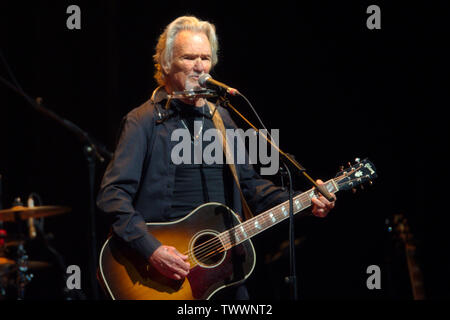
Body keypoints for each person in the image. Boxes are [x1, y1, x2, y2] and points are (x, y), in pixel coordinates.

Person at [96, 16, 336, 300]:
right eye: (189, 57)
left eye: (205, 58)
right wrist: (152, 250)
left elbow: (251, 187)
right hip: (160, 277)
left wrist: (306, 201)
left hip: (222, 275)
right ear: (166, 63)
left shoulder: (221, 118)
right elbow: (113, 195)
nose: (199, 66)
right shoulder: (143, 121)